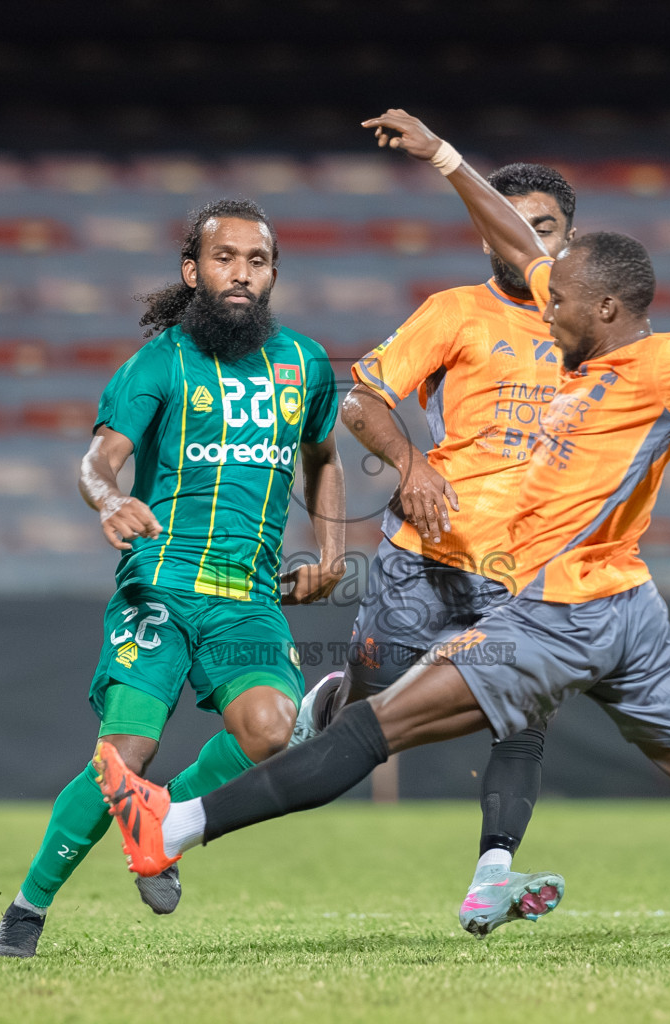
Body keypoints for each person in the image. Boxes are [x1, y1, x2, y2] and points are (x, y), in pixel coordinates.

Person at [93, 112, 670, 963]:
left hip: (559, 612)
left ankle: (171, 826)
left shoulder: (665, 370)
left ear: (603, 311)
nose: (542, 311)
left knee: (372, 730)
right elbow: (518, 248)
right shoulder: (575, 322)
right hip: (627, 604)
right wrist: (446, 158)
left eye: (557, 302)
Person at [0, 199, 346, 957]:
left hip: (248, 595)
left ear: (273, 274)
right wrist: (109, 499)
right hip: (161, 583)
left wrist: (334, 554)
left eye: (257, 261)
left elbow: (323, 459)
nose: (241, 273)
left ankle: (165, 825)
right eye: (225, 258)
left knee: (271, 730)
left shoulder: (306, 364)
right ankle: (26, 909)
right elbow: (99, 460)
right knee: (125, 754)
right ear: (193, 271)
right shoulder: (158, 364)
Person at [288, 163, 578, 937]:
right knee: (374, 709)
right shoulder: (454, 312)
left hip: (530, 567)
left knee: (524, 718)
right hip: (429, 553)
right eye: (506, 224)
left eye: (542, 227)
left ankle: (491, 879)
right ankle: (335, 699)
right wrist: (411, 463)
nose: (521, 240)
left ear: (569, 239)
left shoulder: (592, 330)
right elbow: (361, 400)